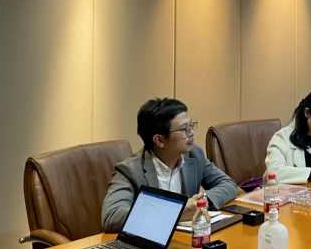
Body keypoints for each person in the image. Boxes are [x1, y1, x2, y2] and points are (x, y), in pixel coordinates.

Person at [102, 98, 238, 233]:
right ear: (159, 140)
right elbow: (111, 217)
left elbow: (228, 184)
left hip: (186, 238)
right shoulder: (130, 170)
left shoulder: (194, 155)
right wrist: (176, 212)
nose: (191, 133)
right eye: (184, 129)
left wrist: (200, 203)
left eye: (191, 126)